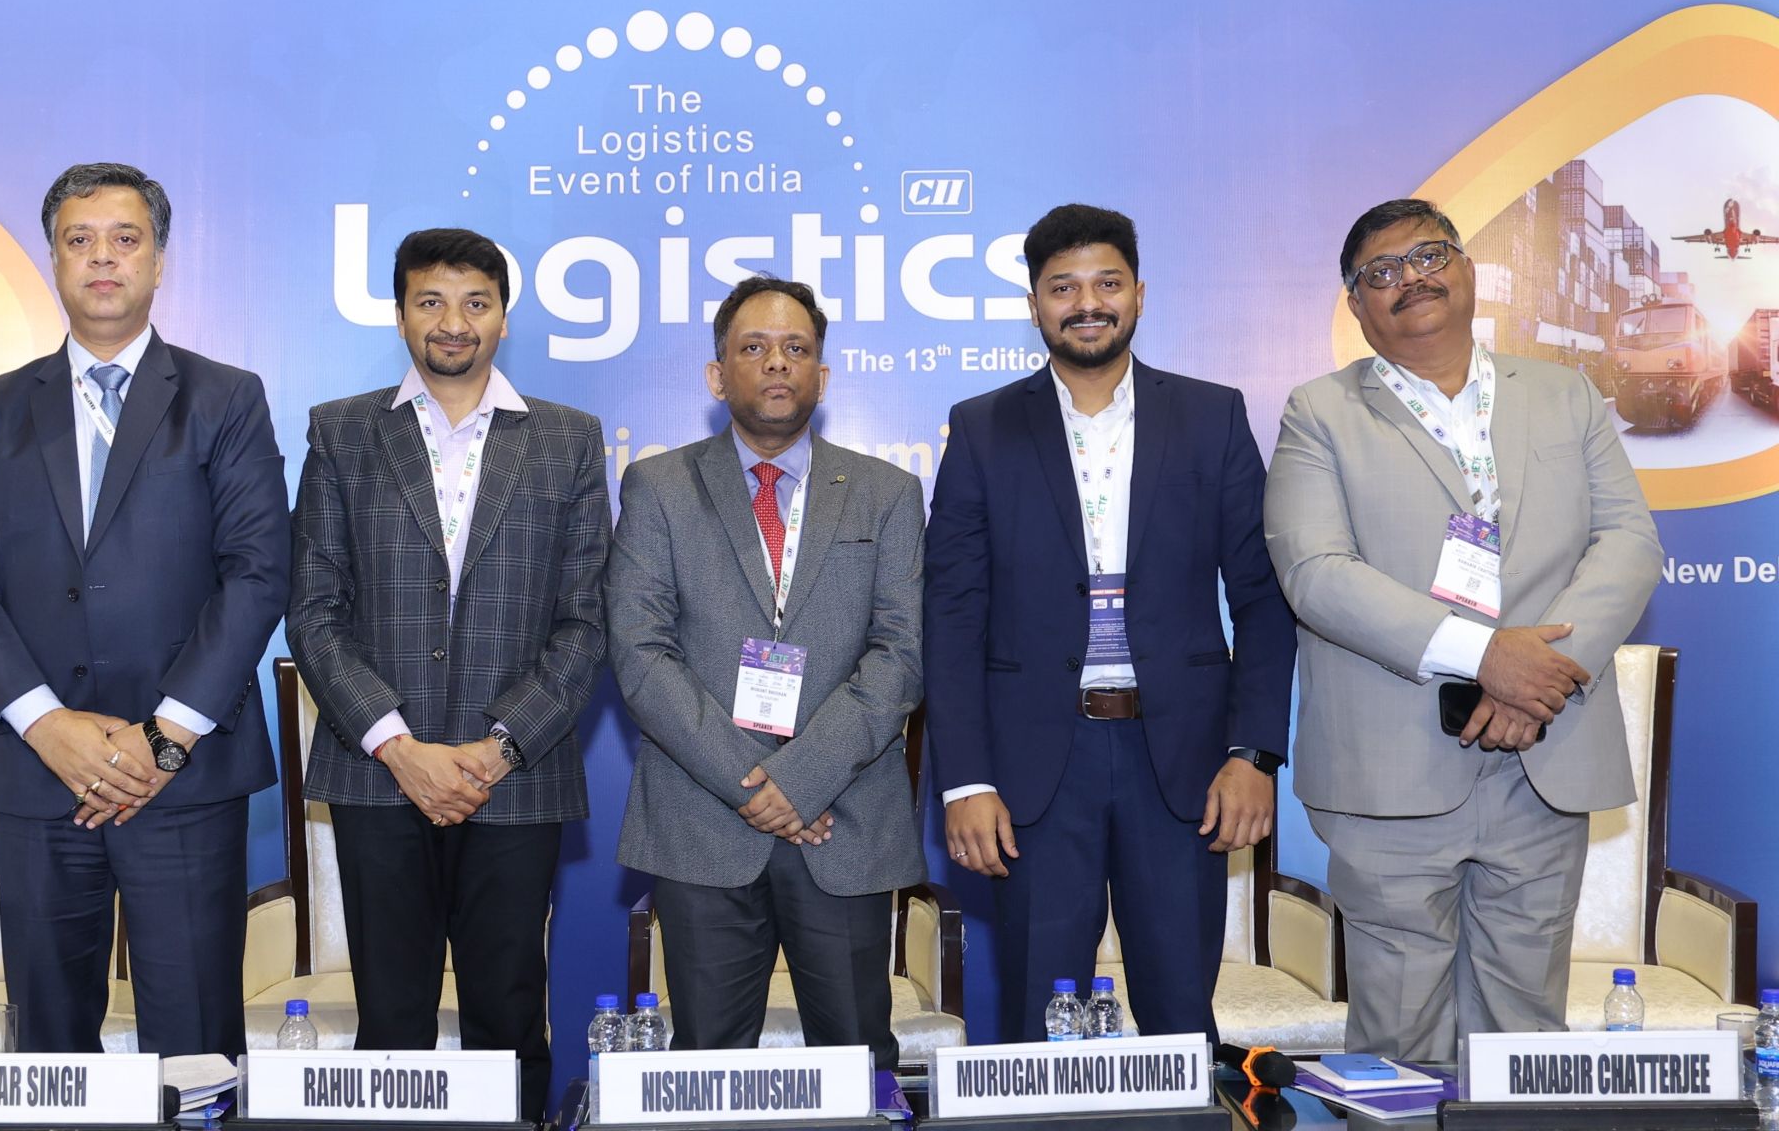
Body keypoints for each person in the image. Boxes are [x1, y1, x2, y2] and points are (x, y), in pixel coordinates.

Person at [1264, 198, 1662, 1059]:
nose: (1412, 278)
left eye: (1429, 255)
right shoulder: (1319, 414)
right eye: (1382, 272)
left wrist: (1543, 676)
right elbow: (1317, 575)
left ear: (1468, 270)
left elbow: (1630, 543)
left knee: (1526, 1040)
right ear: (1357, 306)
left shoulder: (1565, 394)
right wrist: (1490, 658)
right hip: (1389, 772)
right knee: (1400, 1042)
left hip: (1543, 758)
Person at [0, 162, 290, 1056]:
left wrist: (161, 739)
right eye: (78, 240)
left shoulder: (226, 399)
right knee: (52, 1051)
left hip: (185, 776)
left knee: (197, 1049)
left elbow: (257, 574)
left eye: (125, 240)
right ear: (52, 258)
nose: (102, 259)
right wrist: (49, 727)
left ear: (159, 260)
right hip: (39, 776)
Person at [924, 203, 1294, 1043]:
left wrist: (1253, 752)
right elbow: (950, 616)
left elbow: (1264, 598)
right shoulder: (983, 428)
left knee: (1176, 1018)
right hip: (1033, 774)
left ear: (1139, 294)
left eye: (1106, 283)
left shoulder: (1211, 416)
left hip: (1184, 768)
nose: (1086, 302)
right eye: (1063, 287)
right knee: (1036, 1017)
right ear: (1034, 305)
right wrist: (965, 780)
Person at [286, 227, 607, 1117]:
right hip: (379, 772)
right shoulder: (342, 432)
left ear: (504, 318)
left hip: (516, 776)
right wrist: (400, 746)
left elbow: (588, 621)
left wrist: (497, 749)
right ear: (399, 315)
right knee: (392, 1018)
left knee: (509, 1011)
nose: (453, 322)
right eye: (430, 301)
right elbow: (313, 610)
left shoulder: (568, 442)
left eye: (475, 303)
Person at [608, 275, 926, 1071]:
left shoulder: (888, 494)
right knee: (709, 1069)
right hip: (703, 822)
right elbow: (640, 653)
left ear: (822, 372)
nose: (776, 364)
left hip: (844, 821)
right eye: (753, 348)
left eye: (797, 349)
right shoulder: (658, 486)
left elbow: (901, 655)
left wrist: (804, 779)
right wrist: (757, 786)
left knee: (859, 1063)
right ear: (719, 375)